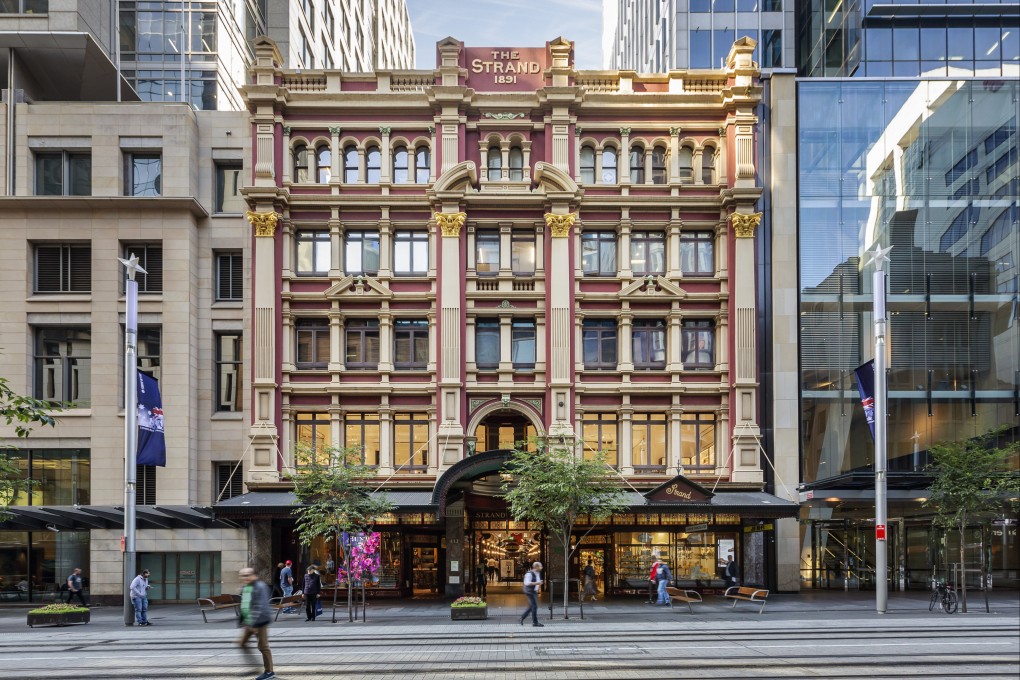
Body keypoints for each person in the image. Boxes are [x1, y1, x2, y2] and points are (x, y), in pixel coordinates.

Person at [237, 567, 275, 680]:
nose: (245, 577)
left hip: (260, 621)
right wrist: (243, 621)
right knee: (241, 643)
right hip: (250, 622)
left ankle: (269, 672)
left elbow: (259, 606)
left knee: (263, 647)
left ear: (254, 575)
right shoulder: (246, 587)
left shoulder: (260, 586)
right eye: (243, 575)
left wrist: (251, 624)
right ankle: (254, 668)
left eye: (248, 575)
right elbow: (245, 605)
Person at [518, 561, 544, 627]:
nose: (541, 567)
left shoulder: (537, 573)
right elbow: (527, 583)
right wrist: (537, 583)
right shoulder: (529, 574)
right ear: (536, 567)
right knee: (534, 607)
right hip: (530, 592)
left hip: (534, 591)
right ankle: (535, 622)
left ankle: (522, 618)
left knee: (531, 606)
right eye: (540, 566)